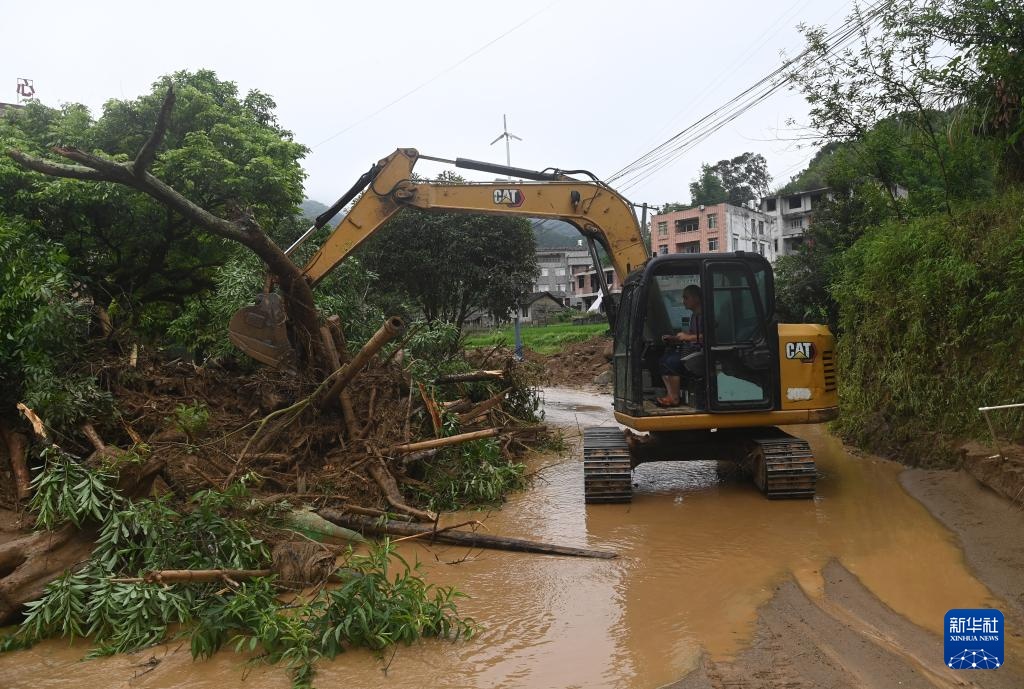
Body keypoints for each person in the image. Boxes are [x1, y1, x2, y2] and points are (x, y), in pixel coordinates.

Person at [656, 284, 703, 407]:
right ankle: (671, 395)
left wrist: (687, 337)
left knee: (672, 362)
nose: (683, 301)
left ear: (696, 298)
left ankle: (674, 398)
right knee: (664, 360)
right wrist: (676, 338)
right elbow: (694, 335)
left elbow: (708, 336)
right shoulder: (694, 316)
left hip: (703, 352)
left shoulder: (706, 315)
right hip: (693, 349)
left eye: (686, 298)